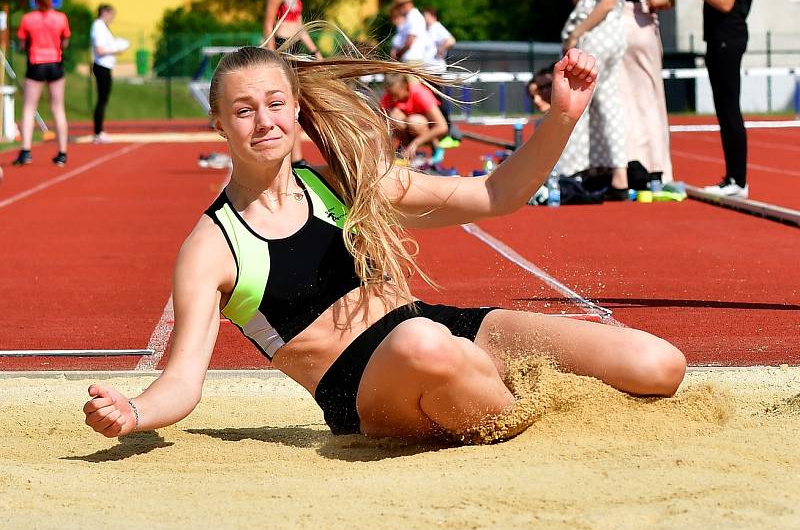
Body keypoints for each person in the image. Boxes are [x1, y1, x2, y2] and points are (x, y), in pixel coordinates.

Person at [83, 45, 686, 443]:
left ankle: (490, 385)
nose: (263, 120)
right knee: (424, 345)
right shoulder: (212, 245)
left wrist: (561, 116)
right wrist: (135, 412)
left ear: (296, 110)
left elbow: (497, 194)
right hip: (367, 388)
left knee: (658, 365)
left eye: (274, 103)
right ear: (219, 124)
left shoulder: (347, 183)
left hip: (438, 329)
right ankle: (519, 411)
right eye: (243, 110)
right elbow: (184, 378)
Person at [670, 0, 759, 197]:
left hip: (727, 39)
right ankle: (733, 177)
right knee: (724, 107)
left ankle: (737, 179)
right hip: (721, 39)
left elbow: (725, 2)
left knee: (729, 107)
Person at [560, 0, 633, 200]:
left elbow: (606, 1)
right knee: (603, 98)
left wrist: (577, 33)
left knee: (580, 96)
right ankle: (611, 173)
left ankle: (575, 169)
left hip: (603, 28)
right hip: (601, 26)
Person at [618, 0, 674, 186]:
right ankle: (653, 166)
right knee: (649, 100)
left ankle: (622, 167)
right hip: (639, 24)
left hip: (611, 26)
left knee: (621, 100)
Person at [263, 0, 323, 165]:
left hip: (296, 47)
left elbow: (300, 26)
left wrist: (316, 52)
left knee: (297, 103)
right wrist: (271, 55)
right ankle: (294, 158)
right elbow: (269, 23)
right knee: (289, 101)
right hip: (281, 48)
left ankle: (296, 157)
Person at [12, 0, 71, 167]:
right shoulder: (61, 18)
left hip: (36, 63)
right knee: (58, 108)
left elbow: (22, 44)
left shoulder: (28, 19)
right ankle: (62, 153)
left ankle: (26, 151)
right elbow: (65, 42)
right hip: (55, 63)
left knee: (29, 108)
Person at [380, 72, 449, 163]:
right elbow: (381, 127)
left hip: (429, 130)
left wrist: (416, 143)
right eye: (391, 95)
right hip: (409, 132)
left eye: (396, 95)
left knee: (415, 121)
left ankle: (436, 149)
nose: (394, 99)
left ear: (406, 86)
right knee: (394, 116)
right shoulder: (388, 97)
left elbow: (442, 127)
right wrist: (381, 152)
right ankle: (406, 150)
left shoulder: (420, 93)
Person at [90, 4, 130, 143]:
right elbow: (100, 50)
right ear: (104, 13)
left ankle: (99, 131)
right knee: (102, 99)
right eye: (111, 14)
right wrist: (116, 50)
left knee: (103, 99)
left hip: (105, 65)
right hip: (102, 65)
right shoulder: (98, 26)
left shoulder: (102, 27)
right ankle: (98, 132)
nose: (113, 18)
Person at [389, 0, 435, 65]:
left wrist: (398, 54)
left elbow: (410, 40)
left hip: (413, 60)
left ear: (404, 5)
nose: (398, 9)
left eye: (398, 6)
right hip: (409, 59)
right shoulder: (410, 17)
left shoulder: (414, 17)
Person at [422, 7, 456, 75]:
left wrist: (441, 49)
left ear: (432, 16)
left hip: (435, 68)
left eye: (425, 16)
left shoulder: (437, 27)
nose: (424, 18)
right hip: (428, 69)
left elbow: (451, 41)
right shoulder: (428, 29)